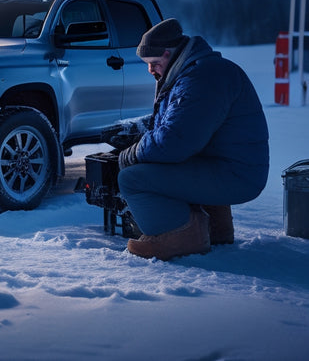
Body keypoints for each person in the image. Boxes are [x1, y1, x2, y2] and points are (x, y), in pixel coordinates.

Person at [113, 18, 269, 261]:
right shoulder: (198, 72)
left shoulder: (201, 78)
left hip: (236, 175)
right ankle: (216, 227)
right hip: (231, 167)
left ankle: (182, 236)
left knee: (132, 178)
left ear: (168, 54)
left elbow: (174, 142)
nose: (151, 70)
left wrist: (132, 153)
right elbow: (181, 124)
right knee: (164, 162)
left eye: (154, 63)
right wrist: (137, 132)